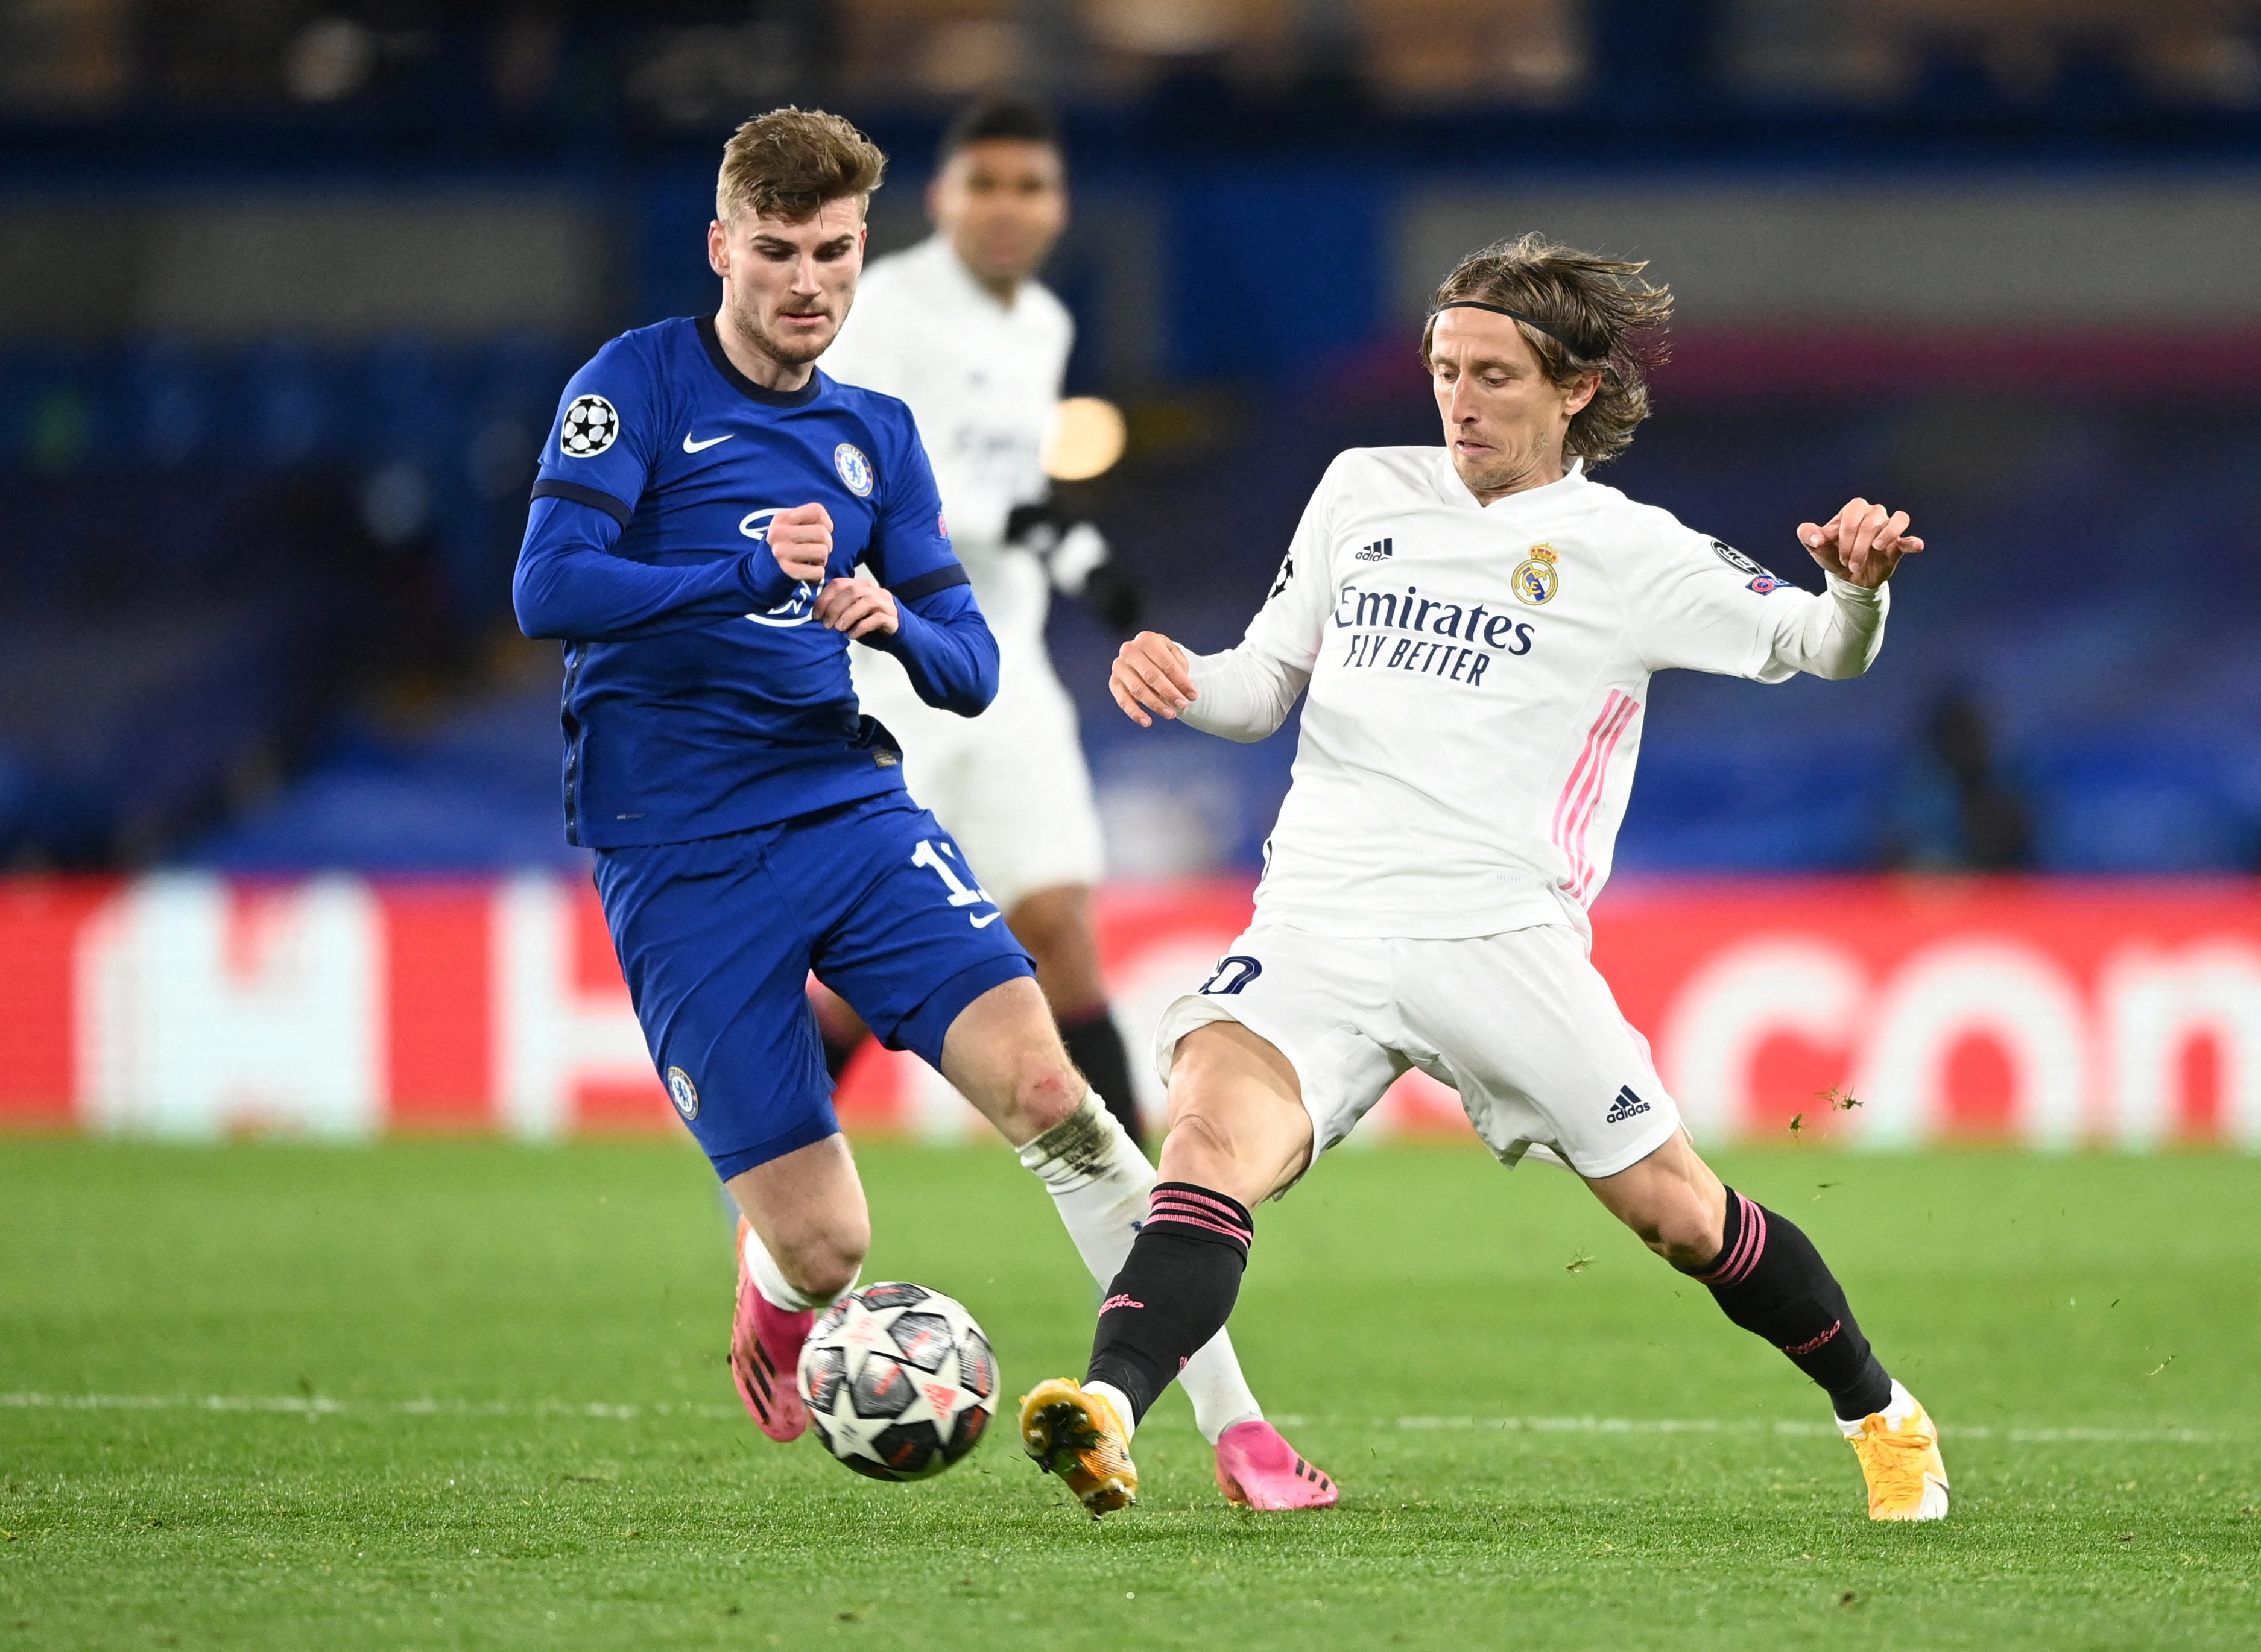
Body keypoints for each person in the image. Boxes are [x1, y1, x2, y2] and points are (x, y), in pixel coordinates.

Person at [1017, 233, 1949, 1524]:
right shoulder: (1362, 489)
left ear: (1574, 389)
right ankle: (1108, 1406)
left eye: (1495, 375)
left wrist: (1857, 591)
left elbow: (1819, 644)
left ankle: (1881, 1410)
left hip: (1499, 932)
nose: (1459, 399)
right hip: (1321, 914)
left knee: (1681, 1216)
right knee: (1209, 1141)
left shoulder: (1630, 549)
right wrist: (1184, 676)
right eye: (1446, 369)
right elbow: (1261, 685)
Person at [511, 105, 1330, 1510]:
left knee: (1051, 1093)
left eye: (833, 252)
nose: (808, 284)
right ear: (723, 247)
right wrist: (736, 569)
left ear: (862, 247)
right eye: (776, 251)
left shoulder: (874, 433)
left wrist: (893, 617)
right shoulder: (633, 385)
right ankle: (777, 1286)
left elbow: (971, 665)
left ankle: (1236, 1427)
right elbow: (548, 587)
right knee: (829, 1242)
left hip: (848, 806)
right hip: (675, 850)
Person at [814, 97, 1148, 1155]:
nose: (1008, 208)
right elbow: (850, 478)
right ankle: (773, 1181)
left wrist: (1066, 548)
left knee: (1061, 930)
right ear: (941, 199)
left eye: (1030, 186)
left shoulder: (1042, 323)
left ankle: (1164, 1228)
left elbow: (1011, 486)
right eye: (985, 184)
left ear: (1058, 206)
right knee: (865, 974)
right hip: (885, 672)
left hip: (1005, 669)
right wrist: (1016, 516)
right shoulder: (887, 311)